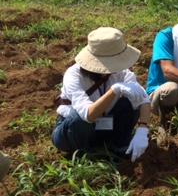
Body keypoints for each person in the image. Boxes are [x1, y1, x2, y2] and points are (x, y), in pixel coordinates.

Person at [52, 27, 151, 161]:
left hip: (105, 126)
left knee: (128, 104)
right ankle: (83, 153)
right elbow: (88, 115)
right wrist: (114, 90)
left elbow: (143, 99)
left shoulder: (123, 72)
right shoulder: (74, 75)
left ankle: (117, 145)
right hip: (75, 131)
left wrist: (143, 129)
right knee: (79, 119)